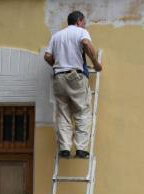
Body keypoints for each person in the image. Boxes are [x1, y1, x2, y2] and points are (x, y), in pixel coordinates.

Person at [44, 10, 102, 158]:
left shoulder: (56, 36)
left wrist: (58, 65)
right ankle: (81, 149)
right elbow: (86, 43)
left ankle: (64, 148)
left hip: (59, 78)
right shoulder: (80, 32)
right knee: (82, 112)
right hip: (75, 77)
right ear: (79, 21)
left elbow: (47, 56)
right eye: (84, 22)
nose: (84, 25)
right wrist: (95, 63)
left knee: (63, 114)